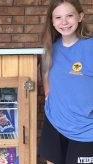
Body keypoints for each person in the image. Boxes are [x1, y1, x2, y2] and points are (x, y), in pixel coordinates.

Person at [39, 0, 93, 164]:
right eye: (58, 17)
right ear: (52, 21)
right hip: (54, 123)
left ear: (80, 17)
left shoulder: (90, 47)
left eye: (69, 16)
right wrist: (48, 93)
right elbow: (45, 72)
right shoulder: (50, 49)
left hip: (85, 129)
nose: (64, 22)